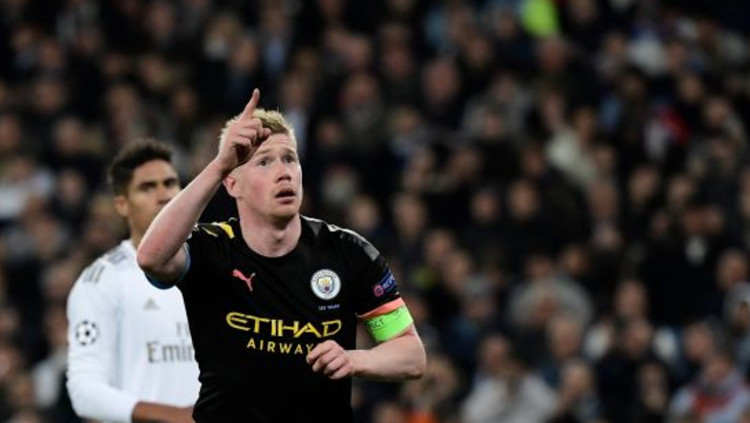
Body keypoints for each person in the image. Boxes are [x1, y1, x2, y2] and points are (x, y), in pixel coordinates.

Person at [137, 89, 427, 422]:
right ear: (232, 185)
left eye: (290, 159)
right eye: (264, 162)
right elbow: (151, 258)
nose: (284, 172)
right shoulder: (211, 248)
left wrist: (355, 359)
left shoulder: (349, 252)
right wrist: (218, 167)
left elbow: (411, 354)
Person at [66, 141, 200, 423]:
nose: (164, 195)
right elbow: (83, 390)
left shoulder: (219, 263)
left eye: (170, 183)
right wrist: (176, 417)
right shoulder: (101, 281)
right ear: (122, 204)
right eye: (147, 187)